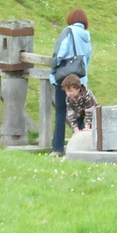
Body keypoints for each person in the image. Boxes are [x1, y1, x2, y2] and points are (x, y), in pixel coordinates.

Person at [50, 9, 92, 156]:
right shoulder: (86, 36)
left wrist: (53, 71)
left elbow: (59, 53)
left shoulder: (68, 32)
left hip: (65, 79)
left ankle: (58, 148)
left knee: (61, 112)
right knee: (80, 112)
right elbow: (88, 57)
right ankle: (79, 148)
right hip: (81, 79)